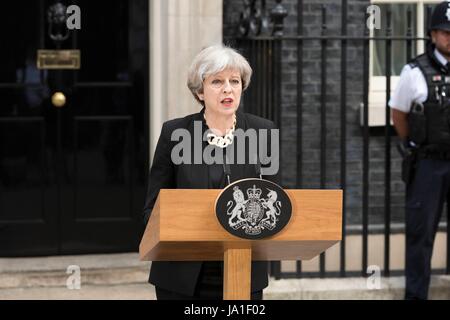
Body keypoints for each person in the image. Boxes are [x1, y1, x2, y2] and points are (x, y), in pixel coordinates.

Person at [142, 45, 280, 300]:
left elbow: (275, 201)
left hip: (242, 270)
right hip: (182, 273)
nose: (228, 88)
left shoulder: (263, 132)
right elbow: (154, 207)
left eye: (234, 81)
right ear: (200, 91)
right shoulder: (175, 134)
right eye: (217, 81)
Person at [389, 1, 450, 300]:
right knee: (420, 236)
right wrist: (413, 144)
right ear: (433, 34)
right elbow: (398, 114)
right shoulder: (414, 71)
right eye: (445, 31)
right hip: (429, 164)